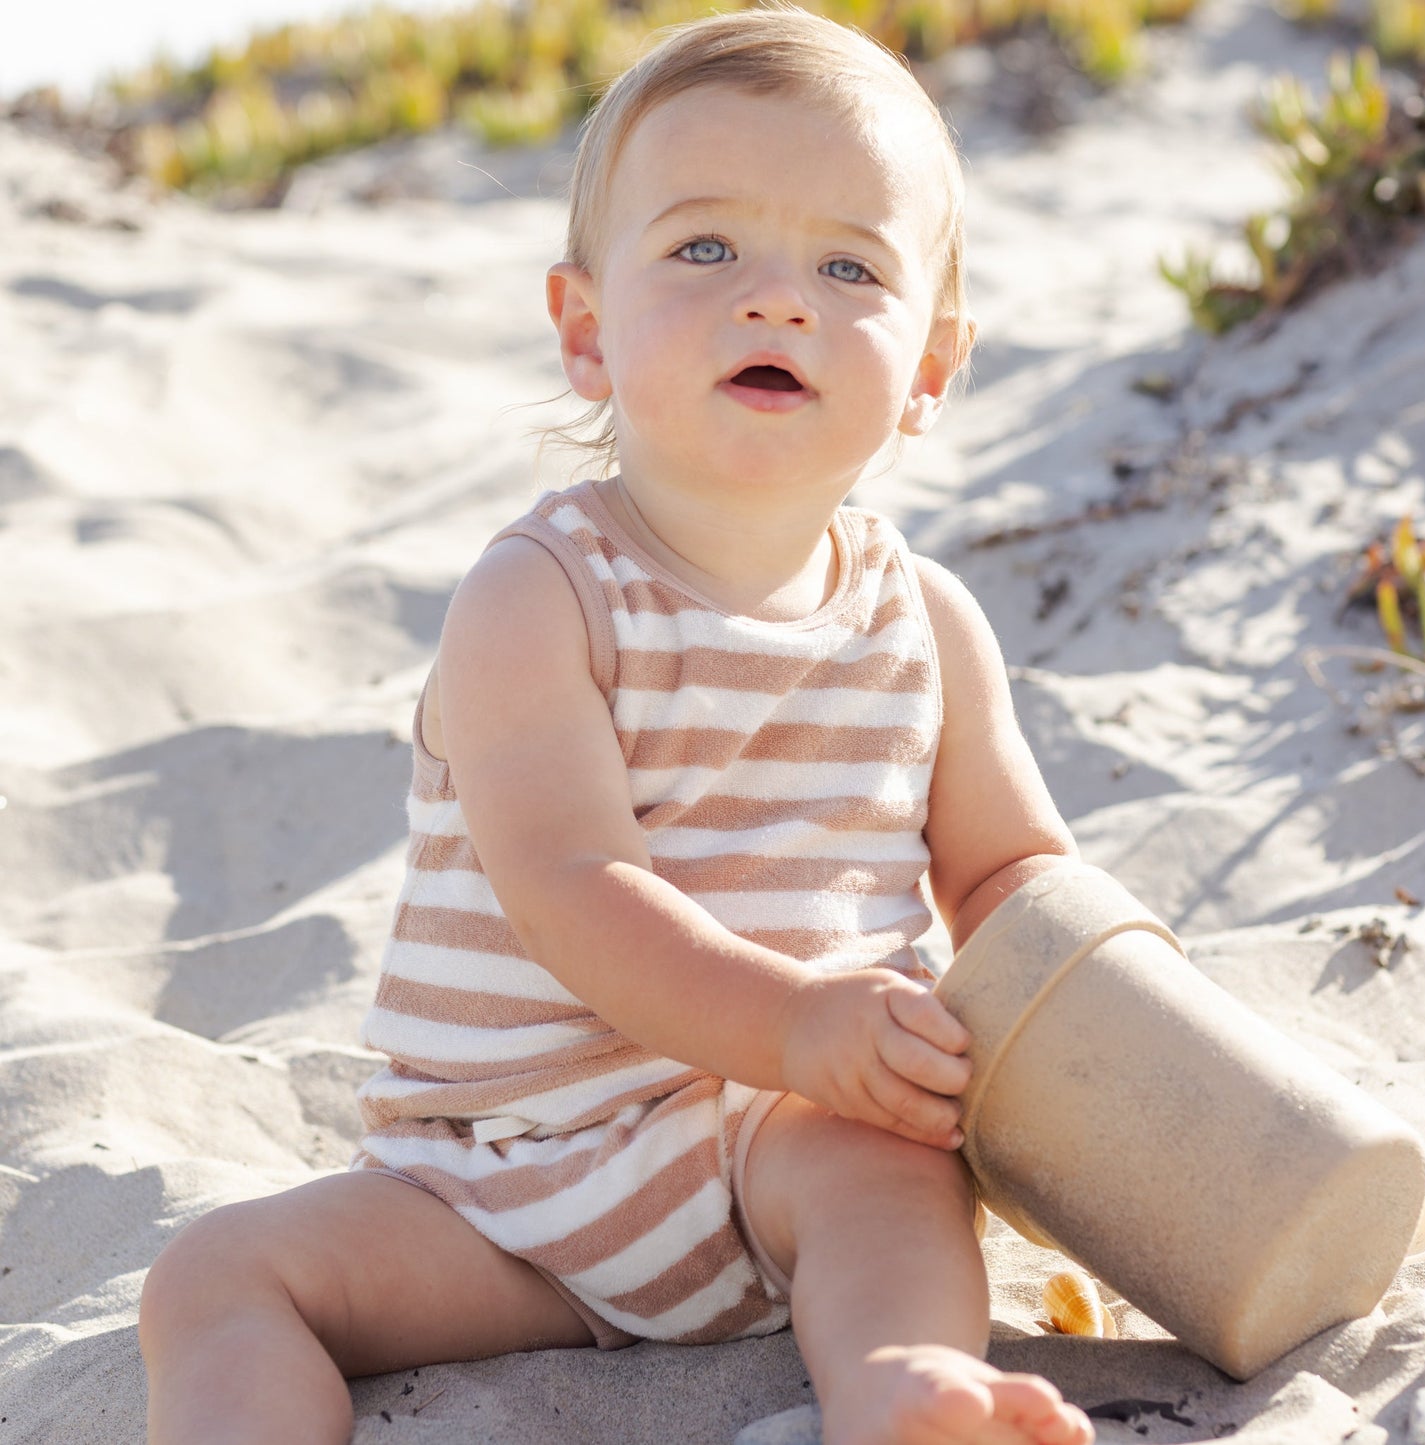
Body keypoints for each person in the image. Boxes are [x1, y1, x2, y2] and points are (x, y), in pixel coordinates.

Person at [138, 8, 1096, 1443]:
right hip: (504, 1179)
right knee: (217, 1274)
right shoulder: (538, 595)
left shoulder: (929, 621)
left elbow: (1015, 871)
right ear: (585, 327)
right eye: (706, 249)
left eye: (848, 265)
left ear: (934, 369)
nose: (776, 300)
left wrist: (1109, 1004)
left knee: (890, 1182)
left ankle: (902, 1386)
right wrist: (794, 1016)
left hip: (785, 1142)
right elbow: (573, 887)